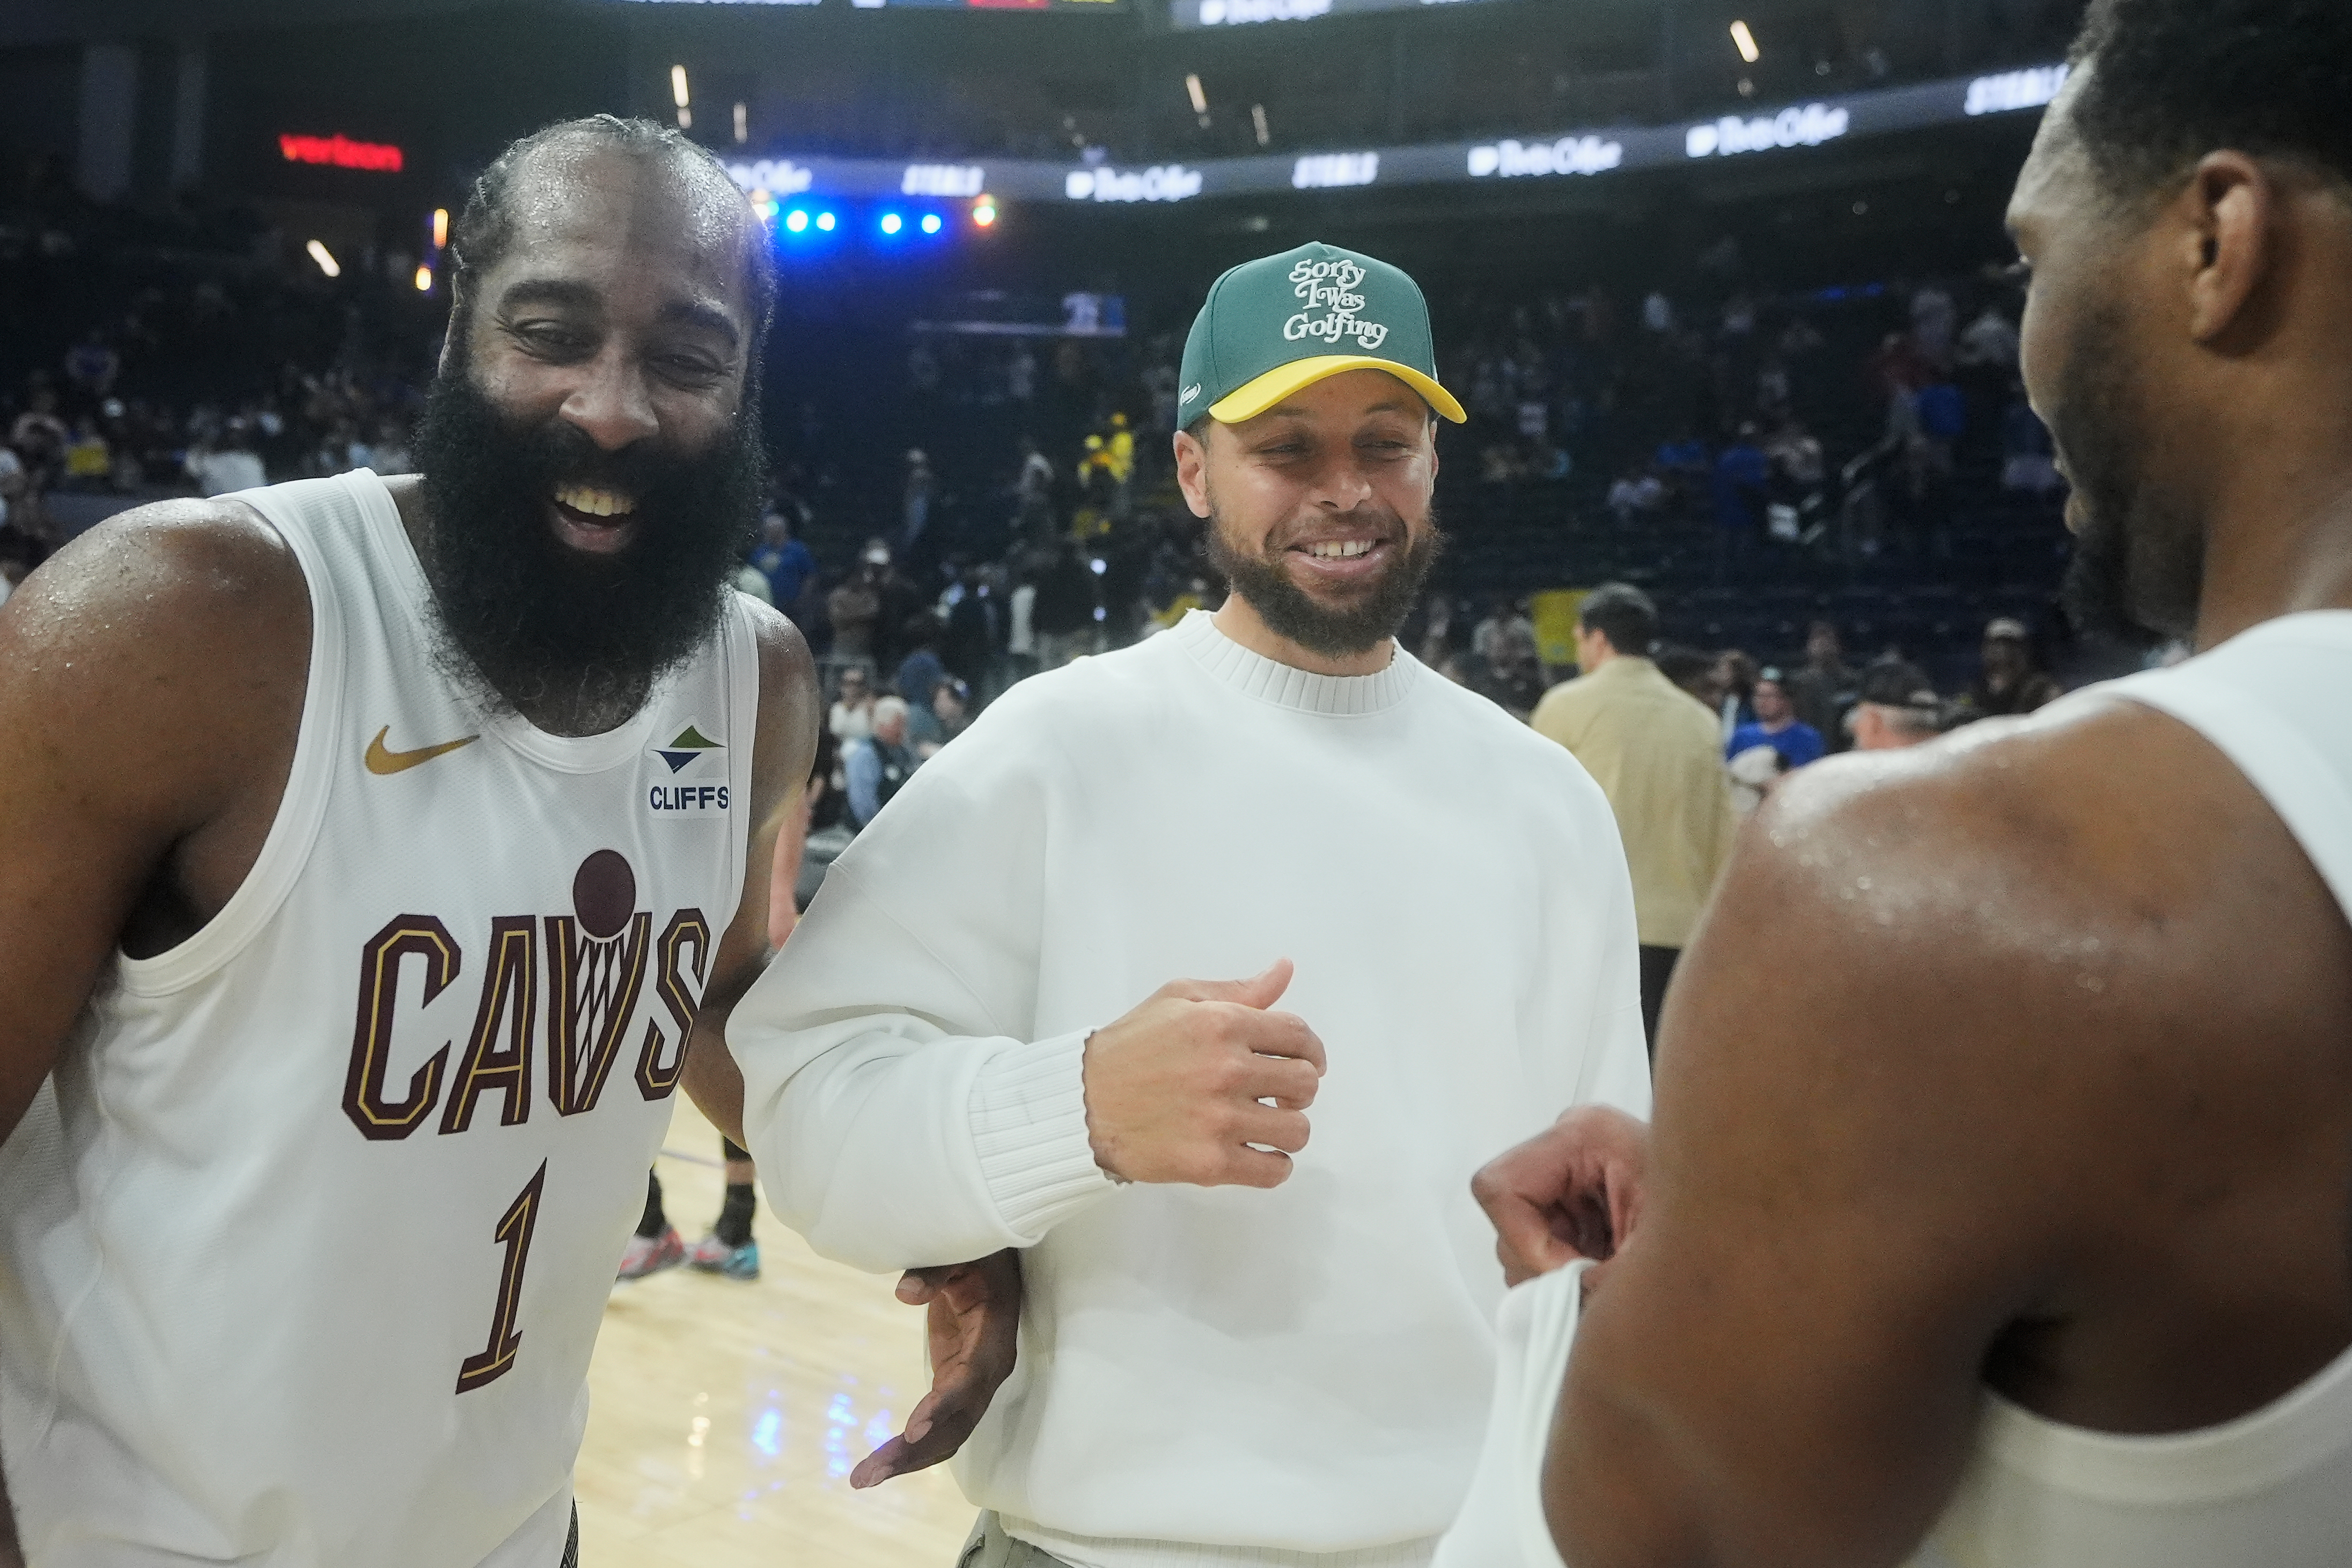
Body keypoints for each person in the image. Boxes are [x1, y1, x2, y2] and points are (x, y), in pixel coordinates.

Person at [1443, 3, 2352, 1562]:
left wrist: (1589, 1312)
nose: (2026, 337)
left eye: (2032, 254)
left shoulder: (1947, 883)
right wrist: (1808, 1175)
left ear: (2217, 238)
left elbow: (1648, 1542)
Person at [0, 113, 891, 1565]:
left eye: (685, 356)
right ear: (453, 331)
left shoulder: (758, 683)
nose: (611, 406)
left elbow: (720, 1013)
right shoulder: (180, 620)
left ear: (745, 383)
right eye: (551, 330)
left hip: (514, 1531)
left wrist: (960, 1202)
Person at [730, 240, 1650, 1566]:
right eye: (1287, 447)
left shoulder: (1546, 802)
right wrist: (1079, 1107)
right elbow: (810, 1109)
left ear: (1435, 462)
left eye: (1385, 443)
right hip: (1095, 1547)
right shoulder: (1049, 748)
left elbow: (1614, 1217)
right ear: (1191, 468)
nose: (1346, 492)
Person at [1532, 584, 1737, 1054]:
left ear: (1597, 639)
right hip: (1678, 932)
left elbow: (1536, 824)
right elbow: (1722, 839)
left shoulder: (1566, 706)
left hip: (1590, 928)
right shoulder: (1698, 721)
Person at [1955, 615, 2064, 719]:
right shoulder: (1976, 694)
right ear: (1985, 652)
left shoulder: (2042, 690)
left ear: (2025, 654)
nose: (2003, 656)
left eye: (2011, 648)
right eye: (1995, 648)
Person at [1725, 667, 1825, 771]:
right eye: (1758, 696)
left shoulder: (1808, 737)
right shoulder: (1742, 736)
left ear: (1786, 699)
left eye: (1770, 696)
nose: (1762, 702)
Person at [843, 694, 916, 829]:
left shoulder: (905, 752)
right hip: (871, 831)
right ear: (883, 725)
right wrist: (879, 829)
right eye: (899, 725)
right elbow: (863, 801)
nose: (903, 731)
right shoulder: (866, 754)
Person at [1787, 618, 1859, 746]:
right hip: (1807, 745)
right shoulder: (1797, 681)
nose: (1823, 646)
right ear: (1808, 647)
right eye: (1817, 642)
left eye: (1828, 641)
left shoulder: (1853, 680)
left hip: (1842, 746)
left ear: (1838, 646)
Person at [1848, 659, 1943, 751]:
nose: (1854, 727)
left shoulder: (1846, 766)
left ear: (1874, 723)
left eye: (1859, 715)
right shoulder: (1954, 758)